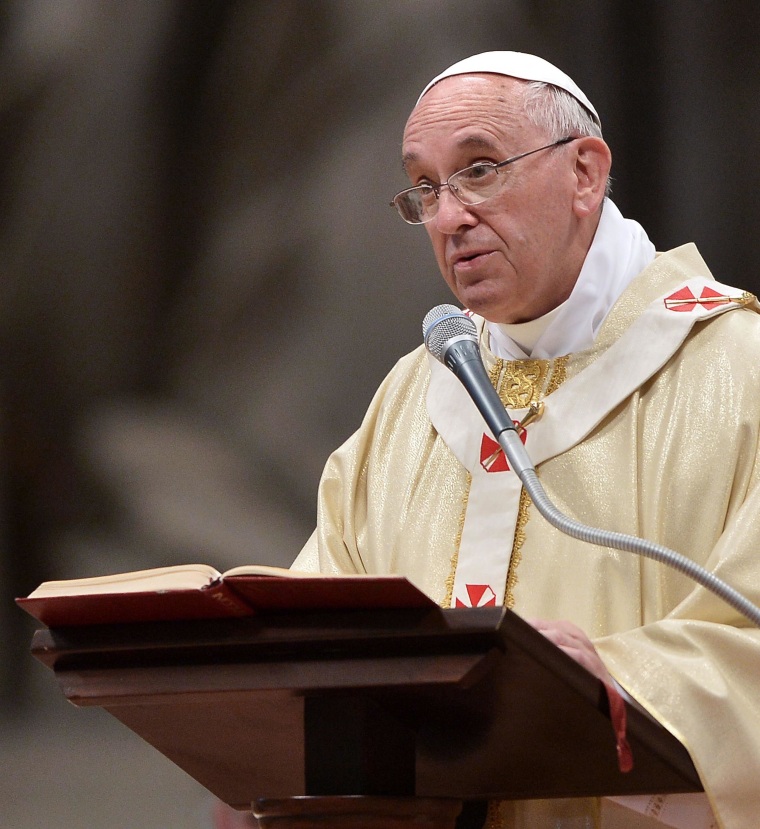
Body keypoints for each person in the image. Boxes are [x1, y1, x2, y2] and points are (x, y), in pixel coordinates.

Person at [292, 52, 760, 829]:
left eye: (479, 170)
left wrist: (614, 681)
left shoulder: (737, 374)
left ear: (584, 172)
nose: (447, 217)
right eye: (427, 186)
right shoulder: (413, 397)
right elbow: (321, 626)